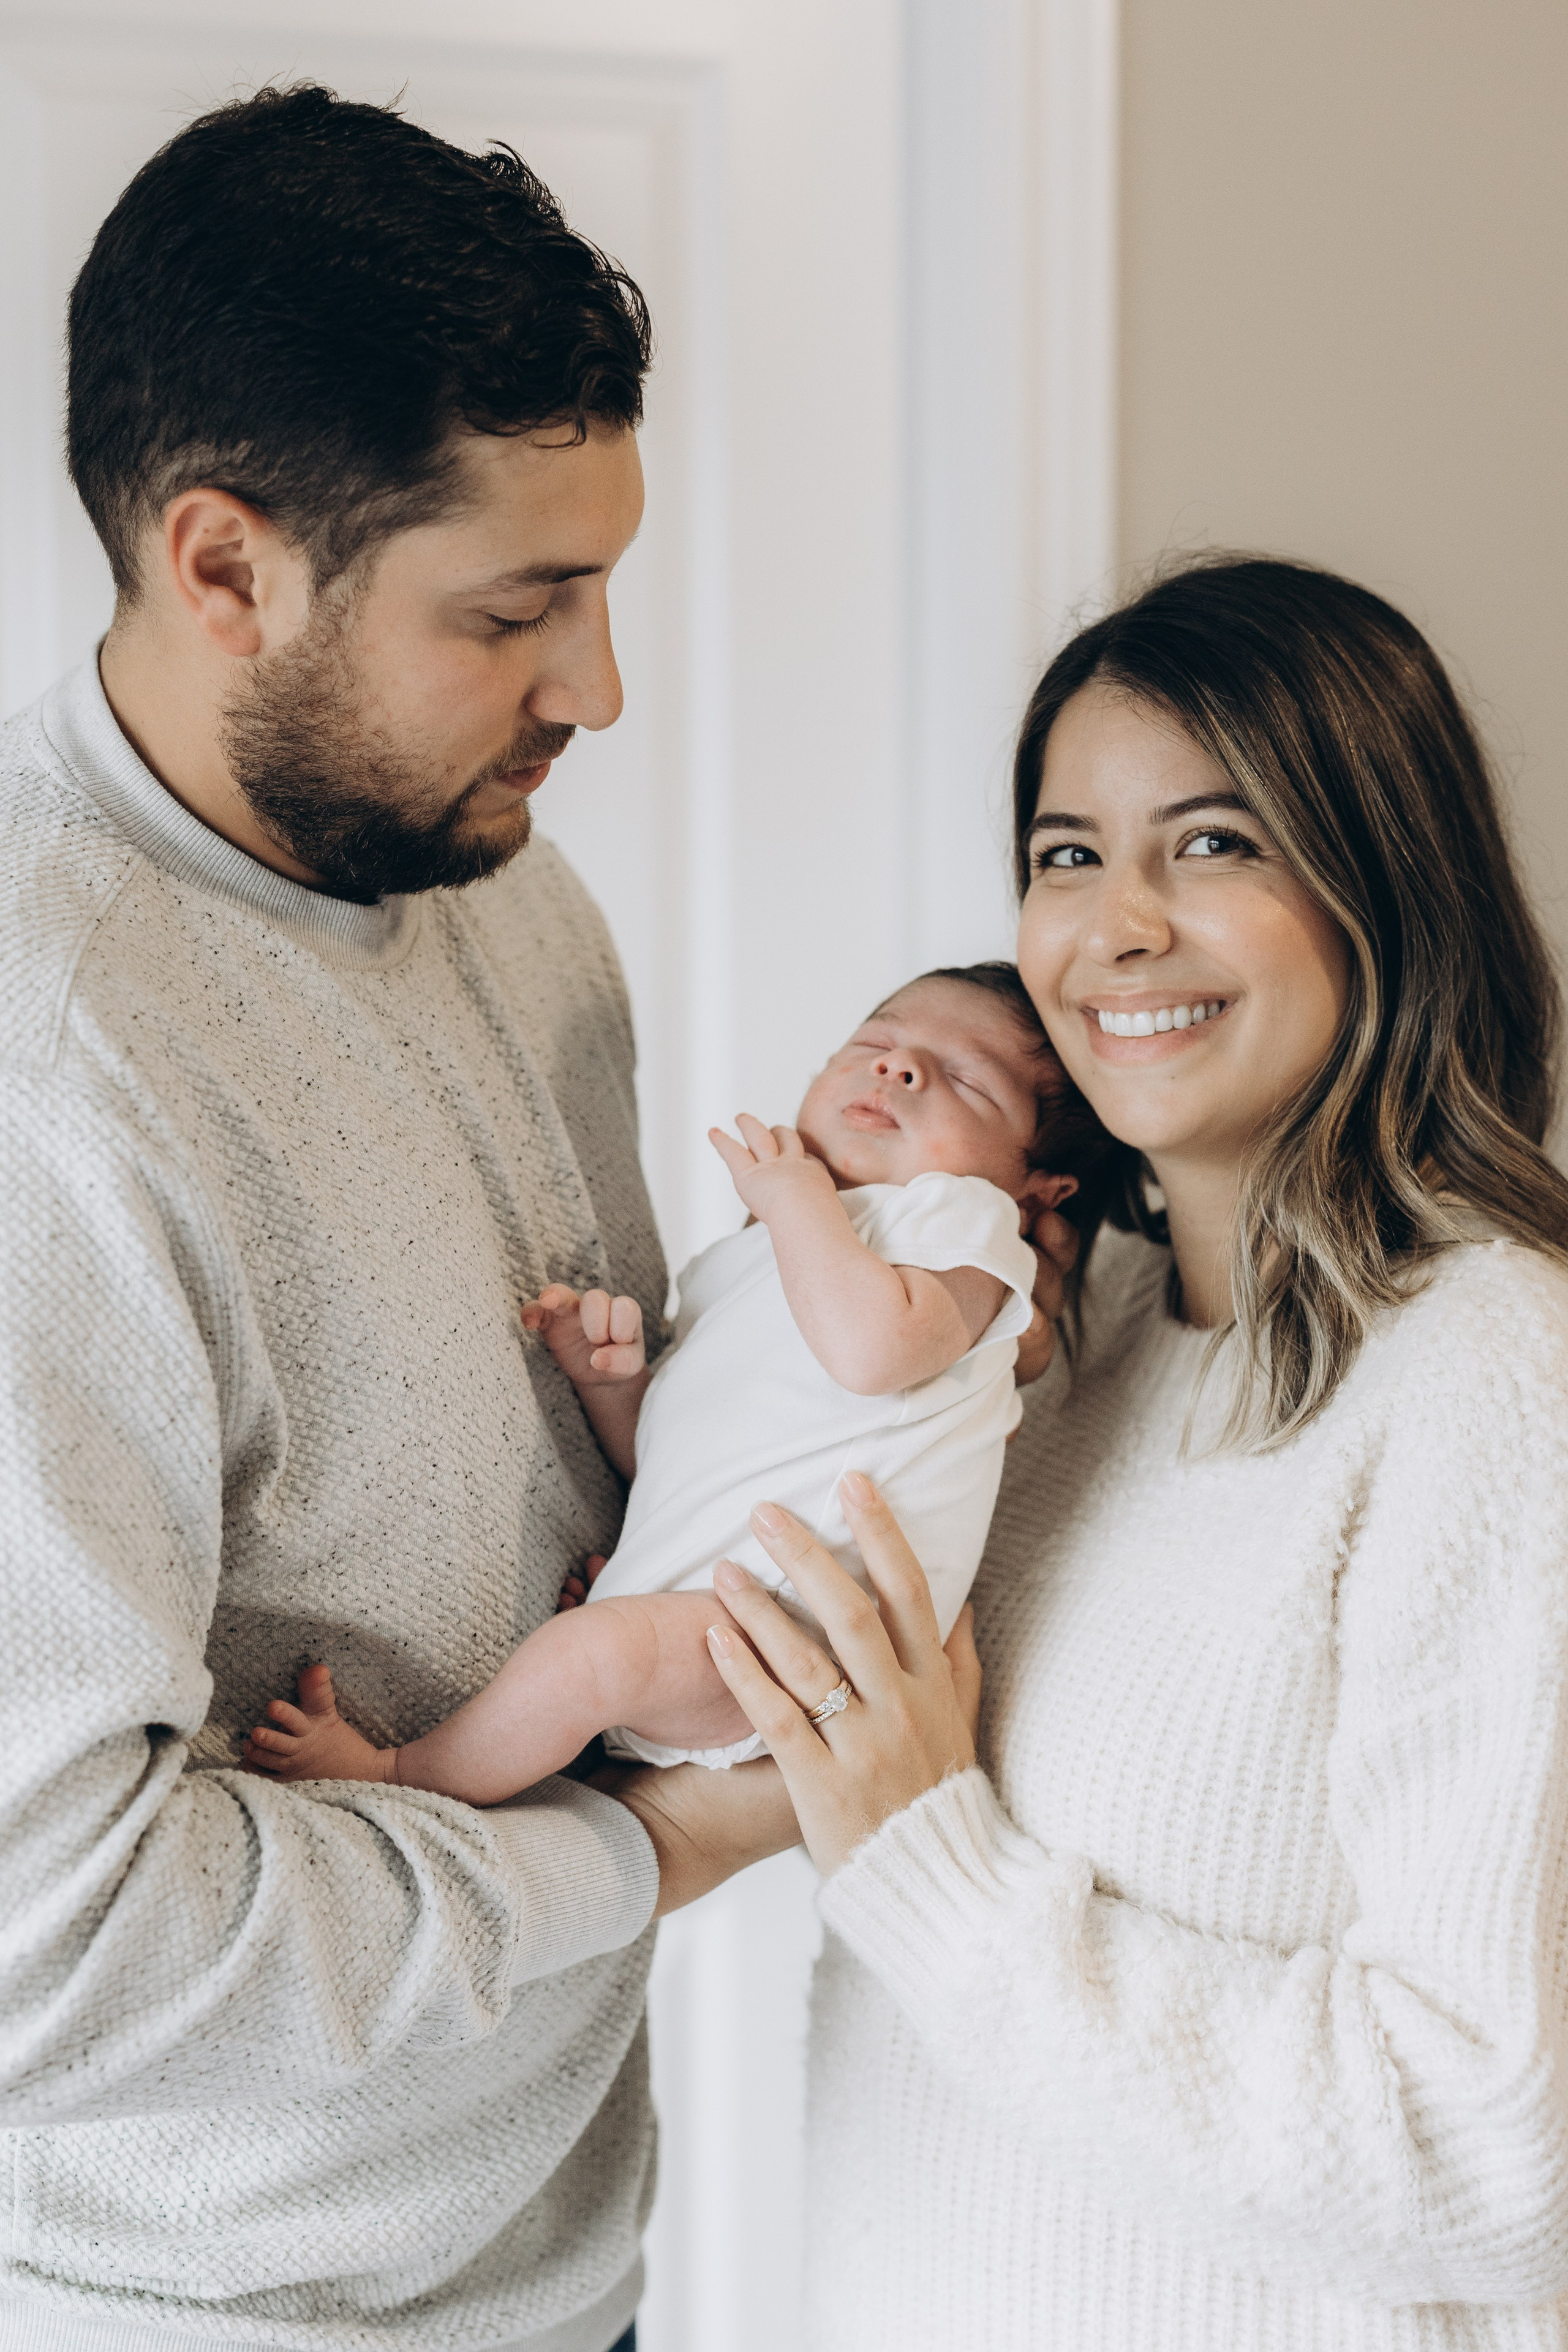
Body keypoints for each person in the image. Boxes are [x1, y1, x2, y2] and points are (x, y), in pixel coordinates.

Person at [0, 82, 818, 2352]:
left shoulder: (491, 881)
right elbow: (40, 1951)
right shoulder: (47, 1084)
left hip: (554, 2271)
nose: (600, 691)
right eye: (519, 611)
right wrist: (638, 1859)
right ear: (225, 564)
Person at [693, 557, 1568, 2349]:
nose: (1119, 929)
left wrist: (933, 1866)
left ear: (1380, 883)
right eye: (1068, 854)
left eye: (1217, 844)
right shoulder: (1045, 1350)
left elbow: (1504, 2152)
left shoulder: (1495, 1373)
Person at [239, 963, 1102, 1790]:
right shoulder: (767, 1254)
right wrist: (617, 1388)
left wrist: (794, 1197)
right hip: (726, 1609)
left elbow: (871, 1355)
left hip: (798, 1637)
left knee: (588, 1658)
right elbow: (691, 1452)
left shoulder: (967, 1227)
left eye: (965, 1079)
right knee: (591, 1652)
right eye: (874, 1042)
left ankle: (405, 1773)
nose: (898, 1067)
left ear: (1037, 1190)